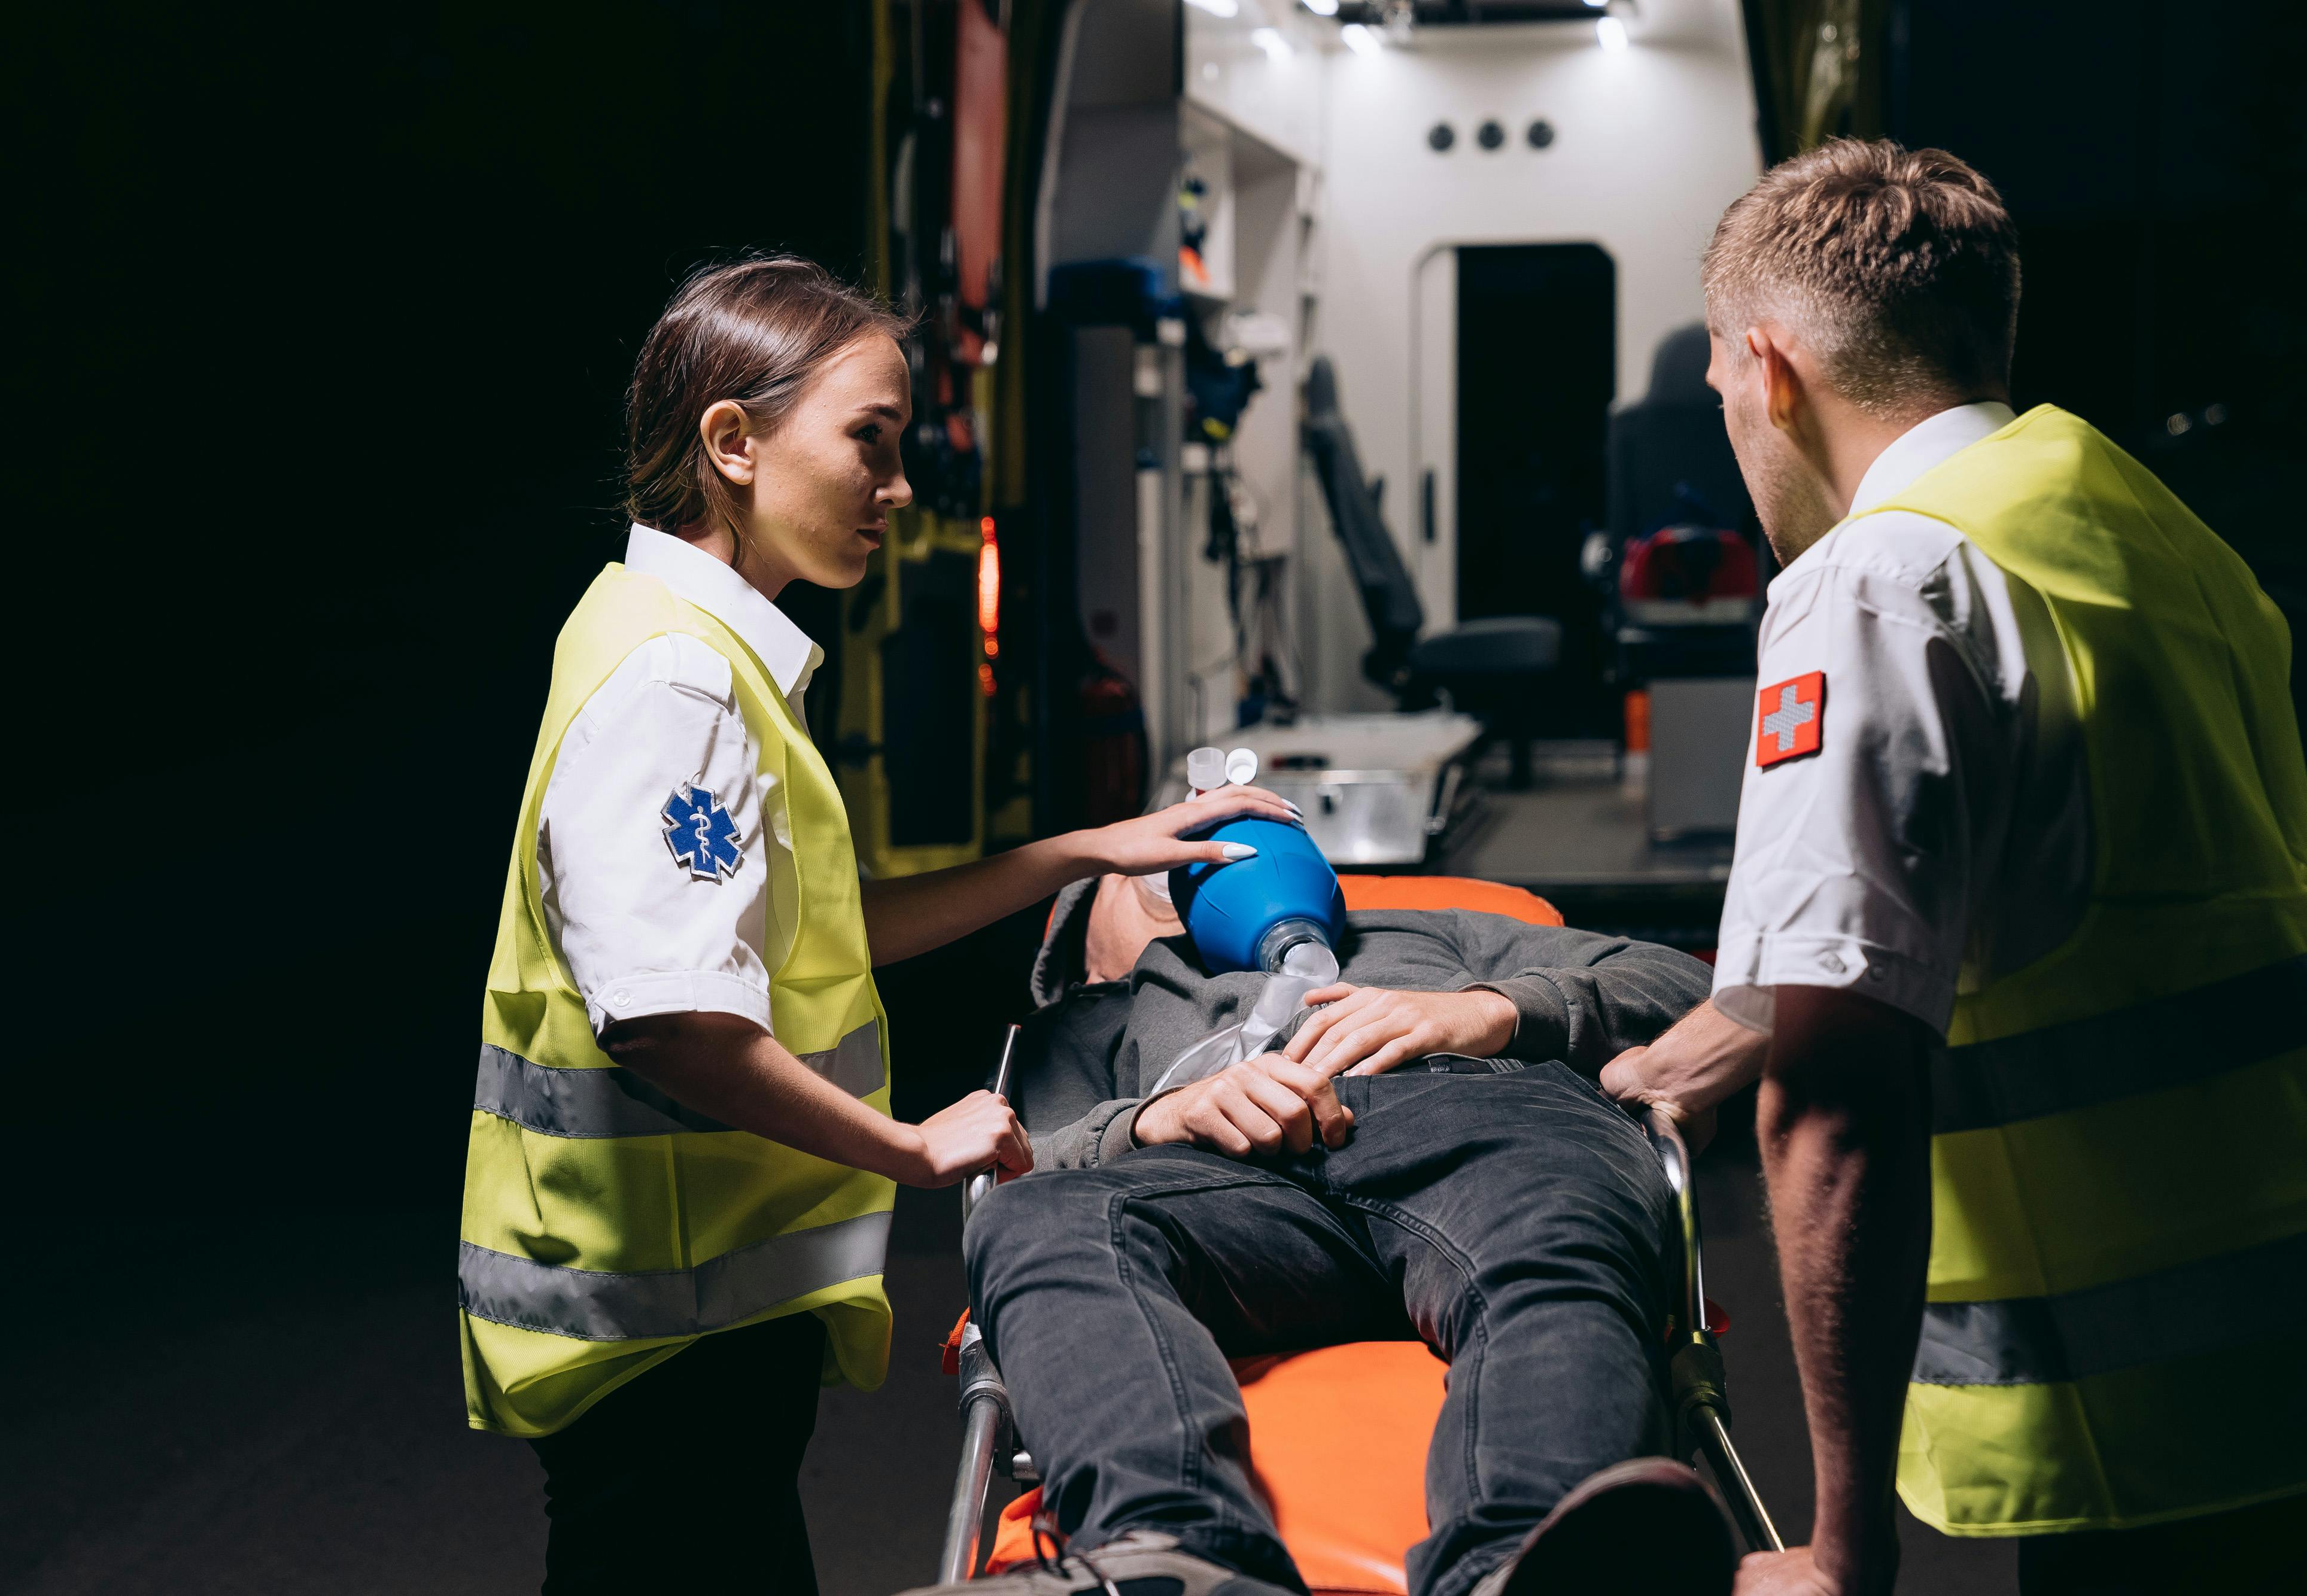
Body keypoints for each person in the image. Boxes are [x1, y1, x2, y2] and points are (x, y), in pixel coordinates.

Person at [457, 256, 1299, 1595]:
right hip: (660, 1324)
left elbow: (820, 933)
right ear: (732, 442)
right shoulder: (677, 684)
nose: (899, 488)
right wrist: (907, 1148)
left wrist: (1089, 849)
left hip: (694, 1316)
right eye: (871, 439)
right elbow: (670, 1019)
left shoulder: (675, 636)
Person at [1601, 141, 2307, 1594]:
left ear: (1768, 369)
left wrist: (1838, 1550)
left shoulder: (1876, 581)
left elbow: (1835, 1102)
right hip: (2267, 1354)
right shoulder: (2147, 531)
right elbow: (2079, 907)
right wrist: (1692, 1044)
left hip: (2117, 1404)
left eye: (1727, 395)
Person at [903, 870, 1739, 1596]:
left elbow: (1699, 987)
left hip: (1492, 1123)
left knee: (1555, 1236)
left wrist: (1490, 1010)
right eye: (1149, 875)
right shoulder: (1096, 1015)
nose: (1202, 869)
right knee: (1035, 1219)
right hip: (1236, 1192)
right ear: (1083, 946)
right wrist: (1156, 1117)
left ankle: (1519, 1560)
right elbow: (1020, 1160)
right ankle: (1172, 1554)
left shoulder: (1425, 931)